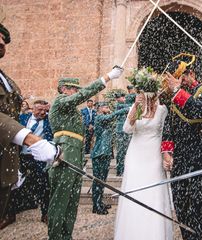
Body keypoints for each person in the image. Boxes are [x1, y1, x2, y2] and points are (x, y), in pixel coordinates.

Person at [48, 67, 123, 240]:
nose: (76, 92)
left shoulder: (69, 108)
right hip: (65, 154)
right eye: (74, 89)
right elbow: (82, 96)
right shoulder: (60, 101)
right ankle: (56, 237)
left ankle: (66, 236)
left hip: (75, 155)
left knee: (72, 202)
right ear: (63, 89)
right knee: (60, 201)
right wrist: (107, 78)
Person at [0, 23, 58, 229]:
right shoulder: (26, 122)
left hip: (16, 158)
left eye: (3, 40)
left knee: (41, 187)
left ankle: (42, 212)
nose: (1, 43)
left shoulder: (5, 79)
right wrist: (31, 139)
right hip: (22, 152)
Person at [161, 54, 202, 240]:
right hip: (181, 159)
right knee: (180, 203)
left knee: (197, 204)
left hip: (200, 159)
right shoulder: (175, 97)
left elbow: (200, 111)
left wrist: (178, 90)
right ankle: (187, 236)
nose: (176, 82)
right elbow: (169, 126)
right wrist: (167, 152)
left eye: (179, 77)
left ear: (191, 73)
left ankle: (197, 237)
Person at [114, 67, 172, 240]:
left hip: (153, 155)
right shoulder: (137, 107)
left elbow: (165, 134)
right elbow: (127, 129)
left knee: (153, 191)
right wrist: (136, 108)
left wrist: (166, 154)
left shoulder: (162, 110)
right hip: (136, 154)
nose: (148, 96)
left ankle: (154, 233)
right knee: (135, 189)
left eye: (151, 93)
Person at [5, 100, 53, 225]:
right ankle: (10, 215)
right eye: (39, 110)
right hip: (21, 156)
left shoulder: (49, 121)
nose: (43, 112)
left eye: (45, 110)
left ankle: (45, 213)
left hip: (38, 159)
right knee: (13, 184)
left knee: (44, 186)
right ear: (33, 109)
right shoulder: (23, 118)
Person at [91, 102, 129, 215]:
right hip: (99, 153)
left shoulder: (105, 118)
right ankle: (96, 205)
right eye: (106, 107)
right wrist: (125, 109)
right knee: (98, 180)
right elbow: (111, 116)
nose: (108, 108)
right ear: (100, 108)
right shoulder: (99, 117)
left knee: (102, 180)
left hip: (105, 153)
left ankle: (99, 201)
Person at [114, 92, 131, 176]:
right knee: (120, 151)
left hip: (125, 130)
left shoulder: (125, 105)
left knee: (125, 151)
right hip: (120, 131)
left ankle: (123, 169)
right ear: (117, 99)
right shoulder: (118, 105)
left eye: (124, 97)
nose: (124, 99)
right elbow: (127, 109)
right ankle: (119, 169)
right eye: (122, 97)